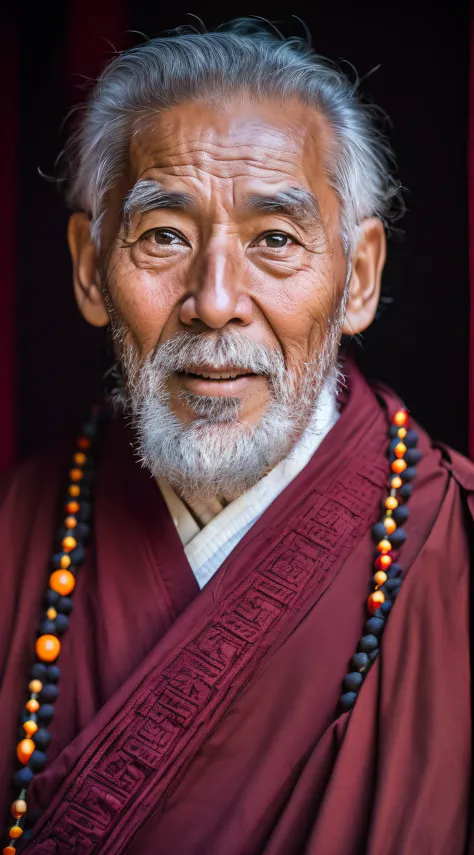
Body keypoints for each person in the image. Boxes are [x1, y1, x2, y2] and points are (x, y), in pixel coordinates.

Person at [0, 19, 472, 855]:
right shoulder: (15, 528)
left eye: (276, 240)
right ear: (89, 268)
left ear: (358, 277)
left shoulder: (456, 552)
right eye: (165, 235)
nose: (215, 300)